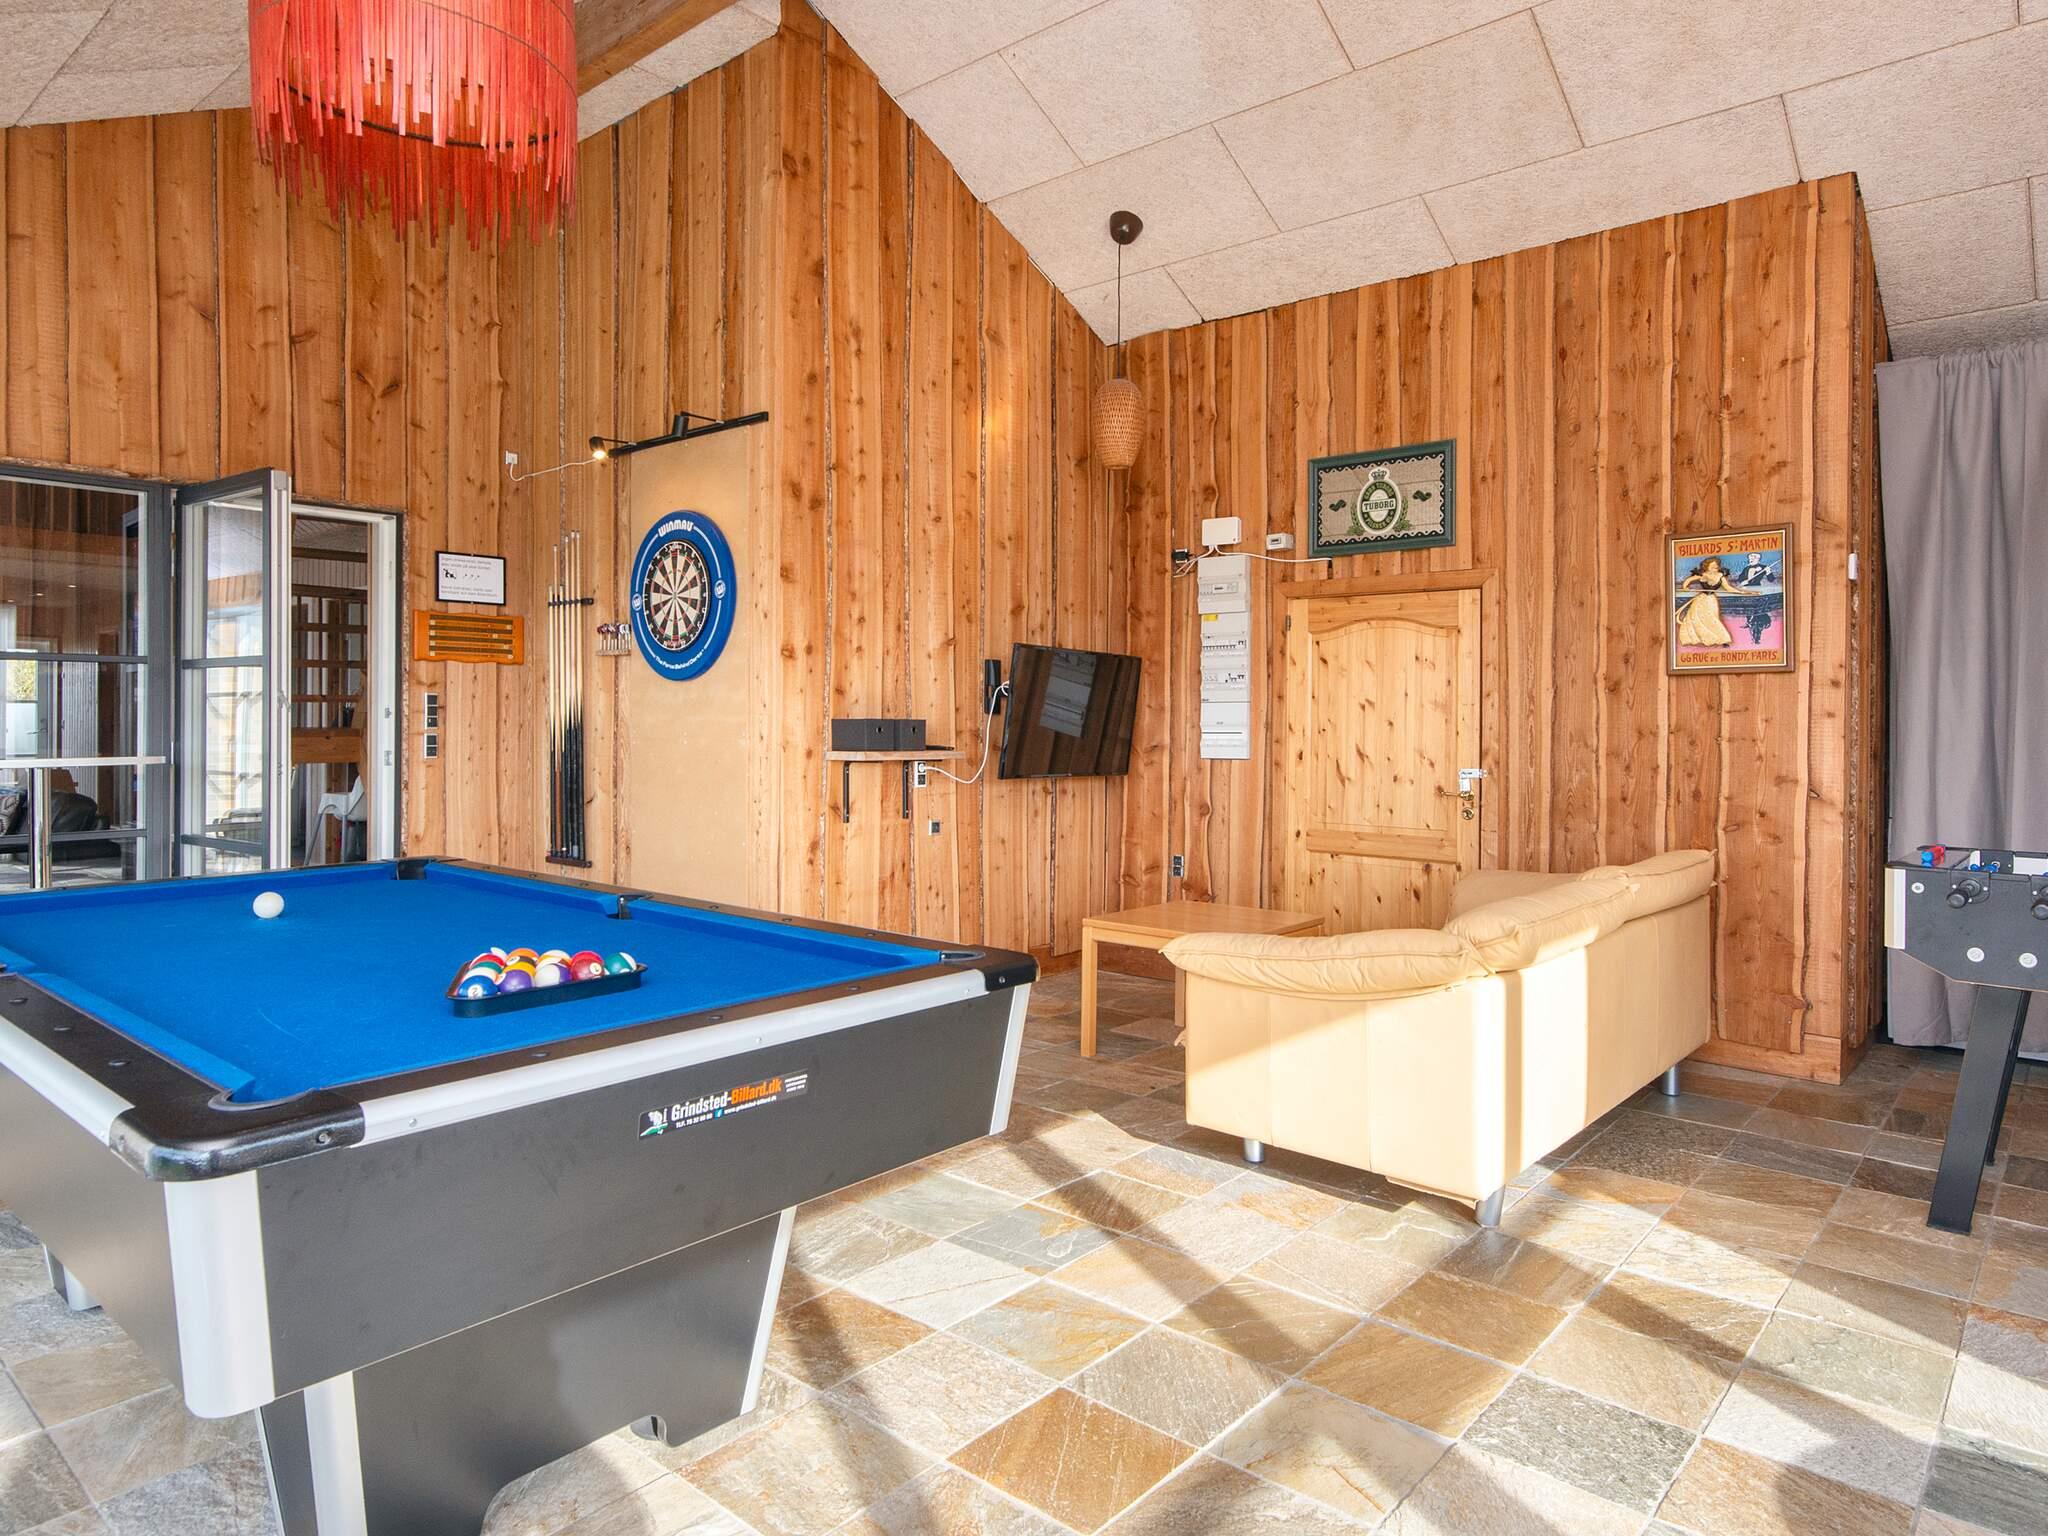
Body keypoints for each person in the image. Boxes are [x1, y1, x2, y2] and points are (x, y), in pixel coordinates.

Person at [1676, 556, 1734, 647]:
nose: (1715, 567)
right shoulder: (1702, 574)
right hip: (1701, 600)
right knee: (1697, 618)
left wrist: (1742, 592)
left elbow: (1728, 588)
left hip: (1711, 600)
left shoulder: (1720, 576)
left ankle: (1722, 639)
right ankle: (1700, 639)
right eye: (1712, 566)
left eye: (1716, 566)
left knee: (1713, 619)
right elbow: (1688, 580)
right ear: (1707, 566)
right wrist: (1685, 587)